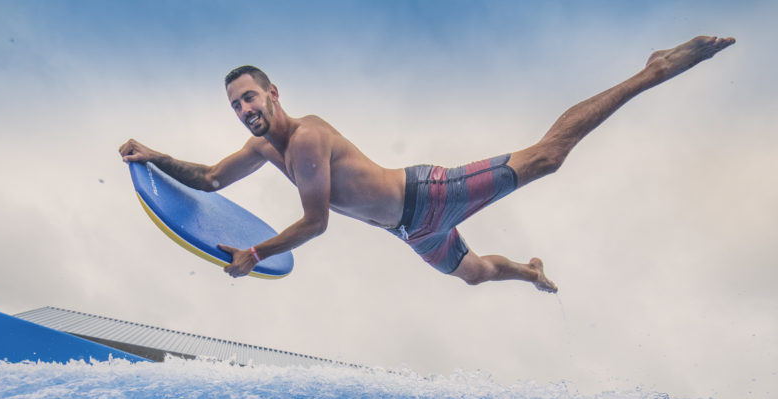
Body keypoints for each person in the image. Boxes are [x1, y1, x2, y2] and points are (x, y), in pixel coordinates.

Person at [119, 35, 735, 292]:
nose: (244, 110)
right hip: (410, 229)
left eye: (249, 97)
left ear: (273, 93)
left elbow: (315, 223)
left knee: (546, 158)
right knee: (473, 276)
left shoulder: (306, 138)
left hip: (428, 195)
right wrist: (152, 156)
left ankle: (651, 70)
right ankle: (531, 271)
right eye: (234, 105)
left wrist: (255, 253)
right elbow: (207, 179)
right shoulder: (260, 149)